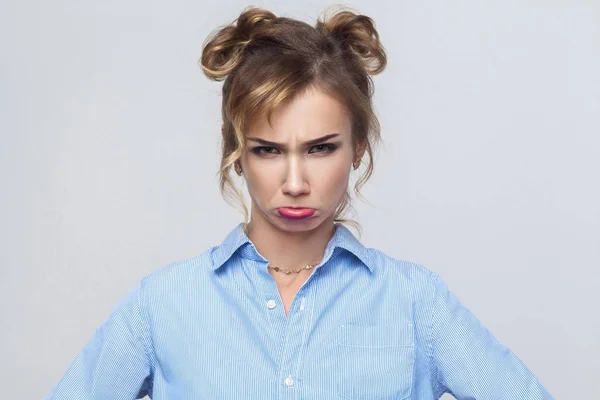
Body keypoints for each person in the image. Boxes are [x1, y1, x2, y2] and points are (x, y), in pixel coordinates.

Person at [45, 6, 554, 399]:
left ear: (358, 148)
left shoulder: (414, 301)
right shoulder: (164, 303)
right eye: (268, 150)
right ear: (236, 153)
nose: (294, 181)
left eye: (320, 148)